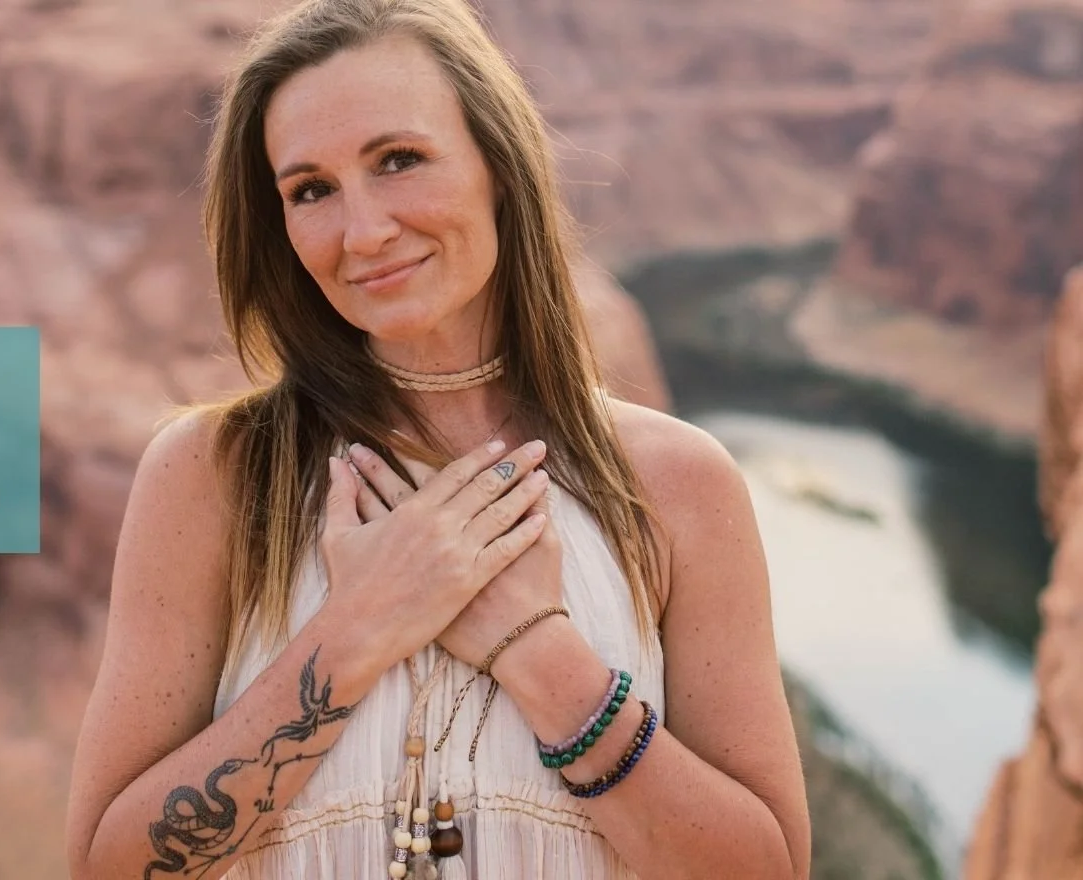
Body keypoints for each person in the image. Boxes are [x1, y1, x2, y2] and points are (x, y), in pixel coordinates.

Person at [64, 0, 811, 877]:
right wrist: (355, 633)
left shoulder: (677, 483)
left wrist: (539, 649)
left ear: (497, 164)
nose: (364, 231)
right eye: (311, 190)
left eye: (399, 160)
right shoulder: (213, 476)